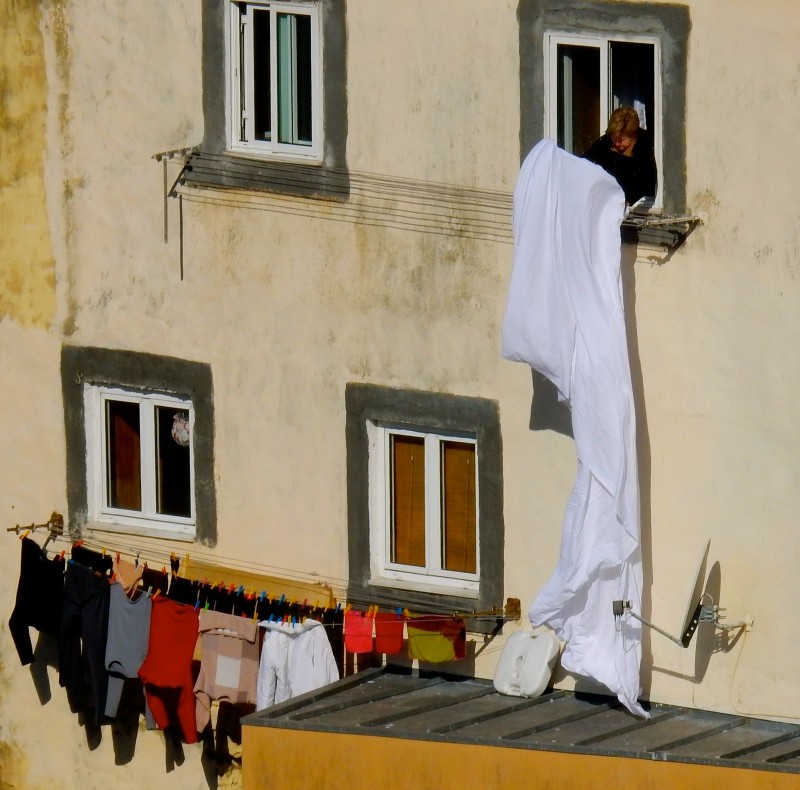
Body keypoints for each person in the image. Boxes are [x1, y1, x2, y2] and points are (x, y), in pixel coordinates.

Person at [582, 106, 657, 205]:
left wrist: (625, 202)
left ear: (634, 135)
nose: (618, 143)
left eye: (623, 140)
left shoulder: (645, 145)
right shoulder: (604, 143)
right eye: (615, 139)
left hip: (635, 206)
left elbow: (647, 179)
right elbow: (585, 164)